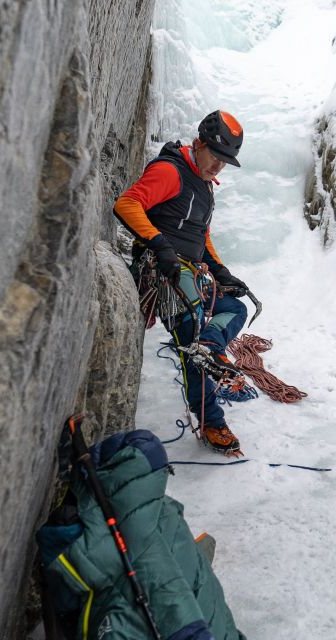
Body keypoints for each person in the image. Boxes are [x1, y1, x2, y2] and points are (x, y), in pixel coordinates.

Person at [114, 110, 249, 455]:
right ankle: (211, 422)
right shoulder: (170, 171)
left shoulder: (203, 183)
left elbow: (200, 235)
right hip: (162, 271)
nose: (218, 167)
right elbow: (127, 204)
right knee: (189, 329)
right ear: (199, 144)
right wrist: (159, 245)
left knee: (234, 307)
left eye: (224, 161)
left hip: (189, 270)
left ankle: (210, 347)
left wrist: (221, 272)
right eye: (215, 157)